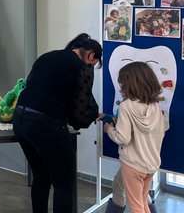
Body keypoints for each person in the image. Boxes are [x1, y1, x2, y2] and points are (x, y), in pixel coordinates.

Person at [12, 33, 102, 213]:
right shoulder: (81, 68)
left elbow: (33, 86)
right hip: (46, 125)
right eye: (94, 63)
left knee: (41, 177)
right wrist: (92, 116)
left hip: (20, 119)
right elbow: (80, 110)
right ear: (91, 55)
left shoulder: (48, 56)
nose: (92, 66)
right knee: (64, 185)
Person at [103, 62, 165, 213]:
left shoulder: (126, 107)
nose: (120, 89)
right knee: (143, 202)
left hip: (133, 165)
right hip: (151, 164)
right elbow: (160, 133)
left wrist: (109, 129)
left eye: (122, 85)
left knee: (136, 207)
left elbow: (122, 138)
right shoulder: (155, 106)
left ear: (131, 85)